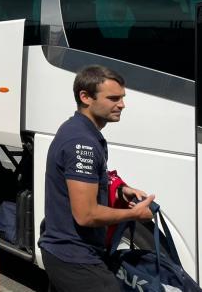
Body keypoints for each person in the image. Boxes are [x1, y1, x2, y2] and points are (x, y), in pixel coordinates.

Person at [38, 65, 155, 292]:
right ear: (85, 97)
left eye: (122, 97)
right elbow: (85, 214)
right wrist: (134, 214)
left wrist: (120, 191)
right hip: (75, 258)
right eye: (113, 98)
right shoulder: (82, 143)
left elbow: (86, 184)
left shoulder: (78, 130)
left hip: (65, 254)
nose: (122, 104)